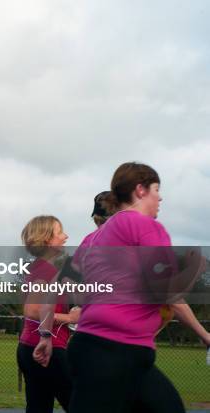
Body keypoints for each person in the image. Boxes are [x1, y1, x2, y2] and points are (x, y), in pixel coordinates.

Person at [33, 162, 210, 413]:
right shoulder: (146, 227)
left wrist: (44, 336)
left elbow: (52, 289)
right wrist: (195, 267)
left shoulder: (92, 240)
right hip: (117, 351)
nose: (160, 197)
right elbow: (166, 293)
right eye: (156, 189)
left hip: (91, 347)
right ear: (140, 190)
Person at [17, 216, 78, 413]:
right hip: (47, 351)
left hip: (30, 346)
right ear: (46, 240)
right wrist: (69, 318)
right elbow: (32, 310)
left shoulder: (38, 268)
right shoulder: (45, 269)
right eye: (59, 232)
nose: (65, 236)